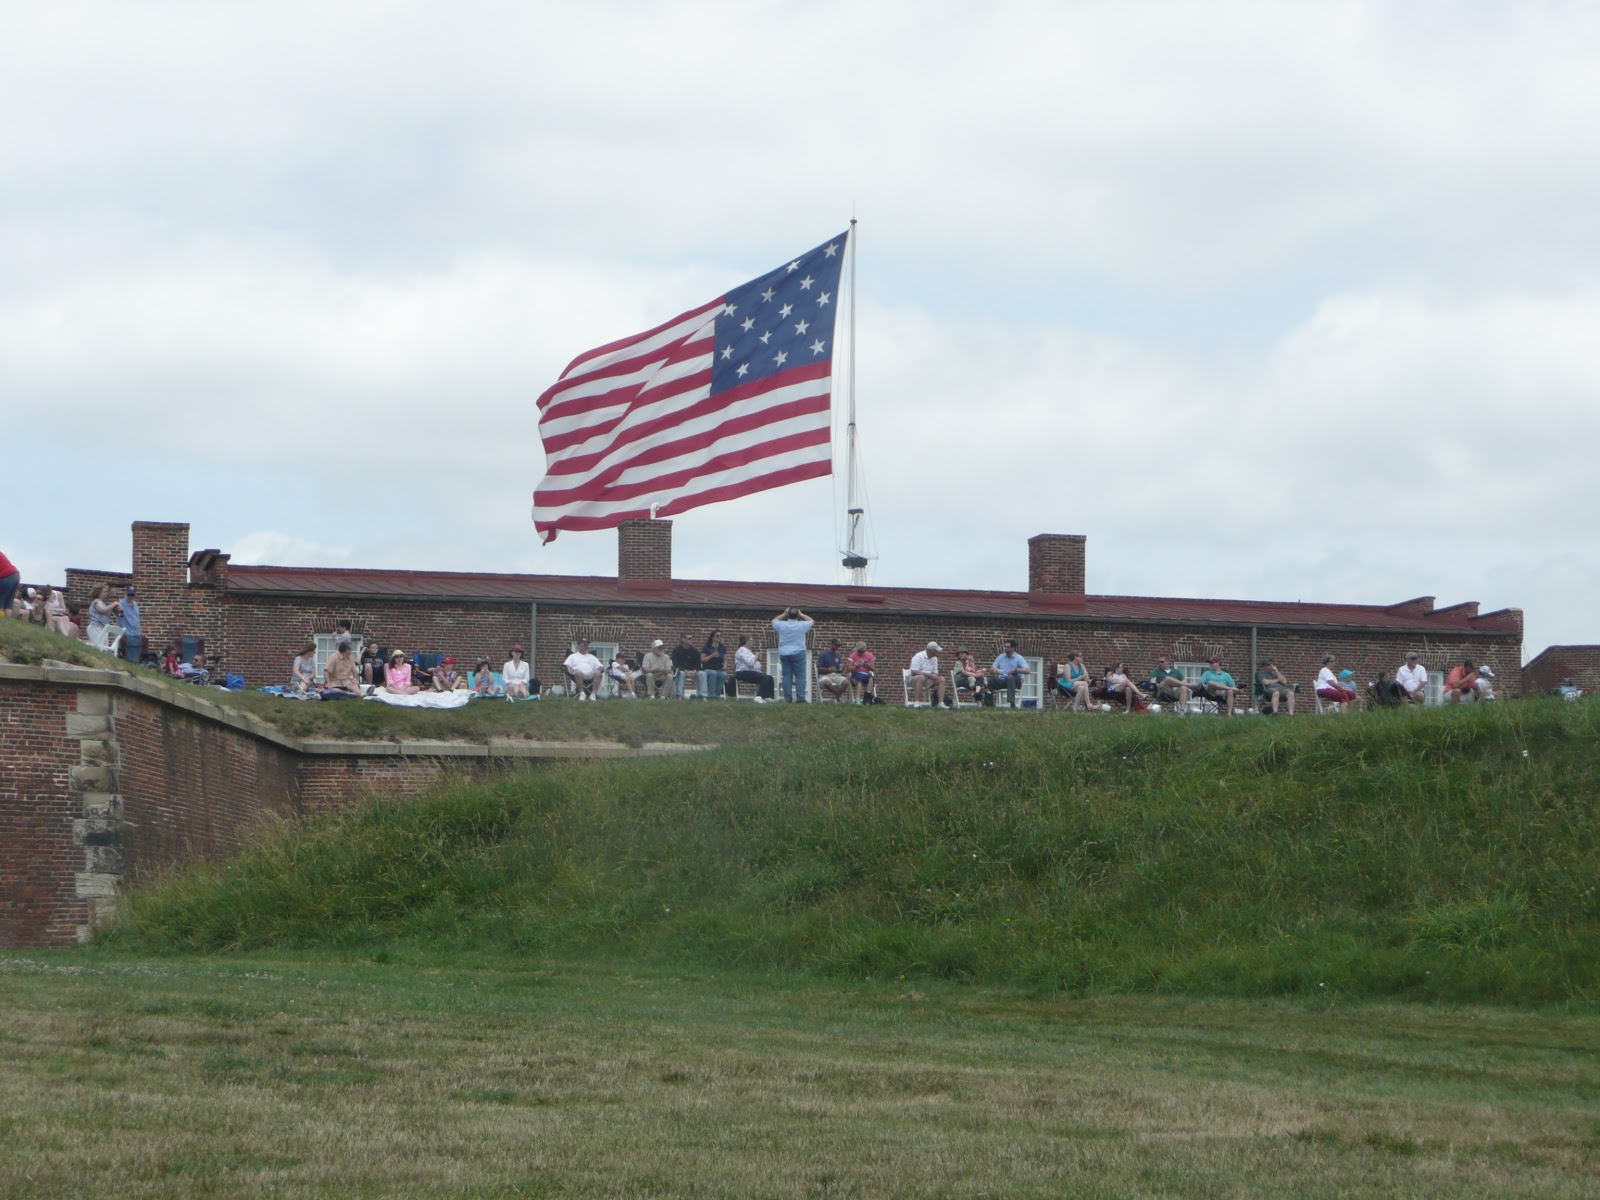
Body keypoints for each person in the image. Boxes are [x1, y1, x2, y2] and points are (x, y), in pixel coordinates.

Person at [771, 606, 814, 702]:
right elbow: (811, 621)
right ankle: (800, 698)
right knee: (800, 676)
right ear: (797, 615)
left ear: (788, 615)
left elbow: (774, 621)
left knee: (786, 676)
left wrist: (783, 614)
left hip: (784, 653)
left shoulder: (781, 625)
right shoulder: (802, 625)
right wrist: (802, 614)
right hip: (798, 652)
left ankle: (788, 698)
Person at [987, 639, 1030, 707]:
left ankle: (1012, 702)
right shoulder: (1001, 657)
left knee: (1010, 677)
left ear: (1013, 648)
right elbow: (992, 668)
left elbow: (1028, 670)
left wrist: (1015, 669)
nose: (1005, 648)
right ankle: (989, 704)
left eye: (1007, 647)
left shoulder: (1019, 658)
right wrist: (994, 670)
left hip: (1015, 681)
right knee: (990, 681)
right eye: (1005, 647)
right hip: (1003, 680)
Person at [733, 635, 775, 701]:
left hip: (751, 672)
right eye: (751, 640)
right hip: (743, 672)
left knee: (770, 678)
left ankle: (769, 697)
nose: (753, 642)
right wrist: (756, 656)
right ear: (747, 641)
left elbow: (753, 662)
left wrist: (758, 659)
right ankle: (759, 697)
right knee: (764, 678)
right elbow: (750, 663)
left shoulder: (748, 651)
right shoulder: (742, 650)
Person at [908, 641, 946, 707]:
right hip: (913, 680)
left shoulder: (934, 658)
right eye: (936, 651)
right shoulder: (918, 656)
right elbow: (914, 671)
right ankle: (917, 702)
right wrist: (929, 675)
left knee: (942, 679)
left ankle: (941, 703)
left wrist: (934, 676)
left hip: (927, 680)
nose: (937, 652)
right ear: (932, 651)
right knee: (921, 677)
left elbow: (935, 672)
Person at [670, 633, 702, 699]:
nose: (691, 640)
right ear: (683, 639)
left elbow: (698, 664)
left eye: (692, 638)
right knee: (681, 673)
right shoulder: (676, 650)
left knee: (703, 674)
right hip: (682, 671)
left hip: (693, 671)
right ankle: (679, 695)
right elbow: (676, 664)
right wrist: (685, 670)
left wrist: (695, 670)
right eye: (689, 638)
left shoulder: (695, 651)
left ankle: (702, 695)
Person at [86, 584, 119, 648]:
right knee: (99, 647)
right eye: (104, 592)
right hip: (95, 627)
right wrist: (114, 604)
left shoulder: (102, 603)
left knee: (104, 647)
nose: (106, 593)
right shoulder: (96, 601)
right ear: (99, 593)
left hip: (103, 628)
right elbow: (102, 610)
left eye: (106, 592)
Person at [117, 585, 143, 664]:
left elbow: (137, 619)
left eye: (132, 595)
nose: (130, 597)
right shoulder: (121, 602)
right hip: (126, 634)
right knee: (126, 656)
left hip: (136, 634)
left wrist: (141, 631)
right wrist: (119, 610)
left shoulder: (135, 604)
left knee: (136, 655)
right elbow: (117, 611)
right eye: (129, 594)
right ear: (126, 593)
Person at [700, 631, 728, 700]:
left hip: (718, 669)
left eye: (720, 636)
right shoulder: (707, 647)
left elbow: (725, 660)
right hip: (707, 669)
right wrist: (711, 656)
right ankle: (712, 695)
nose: (719, 637)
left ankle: (717, 695)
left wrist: (724, 667)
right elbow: (702, 660)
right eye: (717, 636)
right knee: (713, 673)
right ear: (712, 638)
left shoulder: (722, 648)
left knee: (724, 674)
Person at [0, 550, 18, 617]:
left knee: (1, 598)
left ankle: (1, 619)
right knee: (9, 600)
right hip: (15, 575)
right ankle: (7, 619)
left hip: (6, 576)